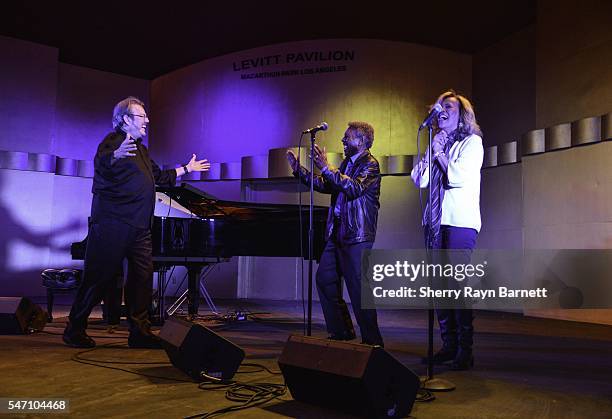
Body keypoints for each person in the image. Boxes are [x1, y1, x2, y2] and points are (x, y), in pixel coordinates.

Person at [63, 97, 210, 348]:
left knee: (142, 278)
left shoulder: (141, 150)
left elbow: (160, 176)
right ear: (126, 120)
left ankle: (139, 332)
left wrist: (186, 168)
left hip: (140, 228)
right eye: (142, 117)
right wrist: (115, 157)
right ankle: (74, 328)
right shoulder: (113, 143)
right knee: (98, 278)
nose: (148, 121)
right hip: (113, 224)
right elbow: (102, 163)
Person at [287, 121, 384, 346]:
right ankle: (341, 331)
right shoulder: (346, 163)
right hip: (337, 231)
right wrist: (298, 171)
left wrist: (327, 167)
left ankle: (373, 341)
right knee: (325, 279)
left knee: (358, 290)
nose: (342, 140)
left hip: (357, 235)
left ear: (360, 141)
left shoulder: (370, 164)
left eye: (347, 137)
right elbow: (326, 184)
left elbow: (354, 189)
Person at [411, 90, 483, 370]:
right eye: (439, 106)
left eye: (449, 106)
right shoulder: (438, 142)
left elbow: (456, 177)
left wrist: (440, 152)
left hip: (460, 222)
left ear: (462, 114)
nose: (442, 110)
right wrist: (432, 148)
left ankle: (466, 350)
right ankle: (448, 345)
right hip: (434, 223)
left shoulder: (472, 143)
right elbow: (419, 180)